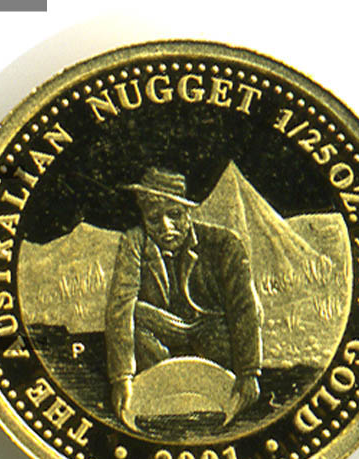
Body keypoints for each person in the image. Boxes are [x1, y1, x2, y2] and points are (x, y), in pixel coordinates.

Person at [104, 167, 263, 424]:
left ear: (188, 213)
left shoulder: (225, 244)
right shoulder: (134, 242)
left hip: (213, 339)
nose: (166, 226)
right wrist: (121, 377)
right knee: (137, 317)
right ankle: (161, 398)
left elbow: (244, 309)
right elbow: (120, 307)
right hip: (162, 342)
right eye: (154, 218)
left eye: (174, 215)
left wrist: (249, 372)